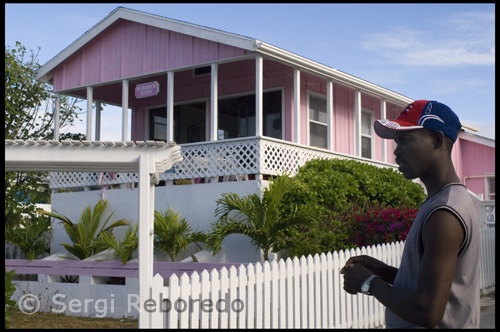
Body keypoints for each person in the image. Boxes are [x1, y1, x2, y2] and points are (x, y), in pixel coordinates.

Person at [340, 100, 480, 328]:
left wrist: (369, 283)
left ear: (436, 140)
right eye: (396, 141)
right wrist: (383, 272)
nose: (396, 150)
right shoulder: (443, 200)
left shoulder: (444, 212)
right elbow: (431, 289)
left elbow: (427, 312)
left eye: (405, 139)